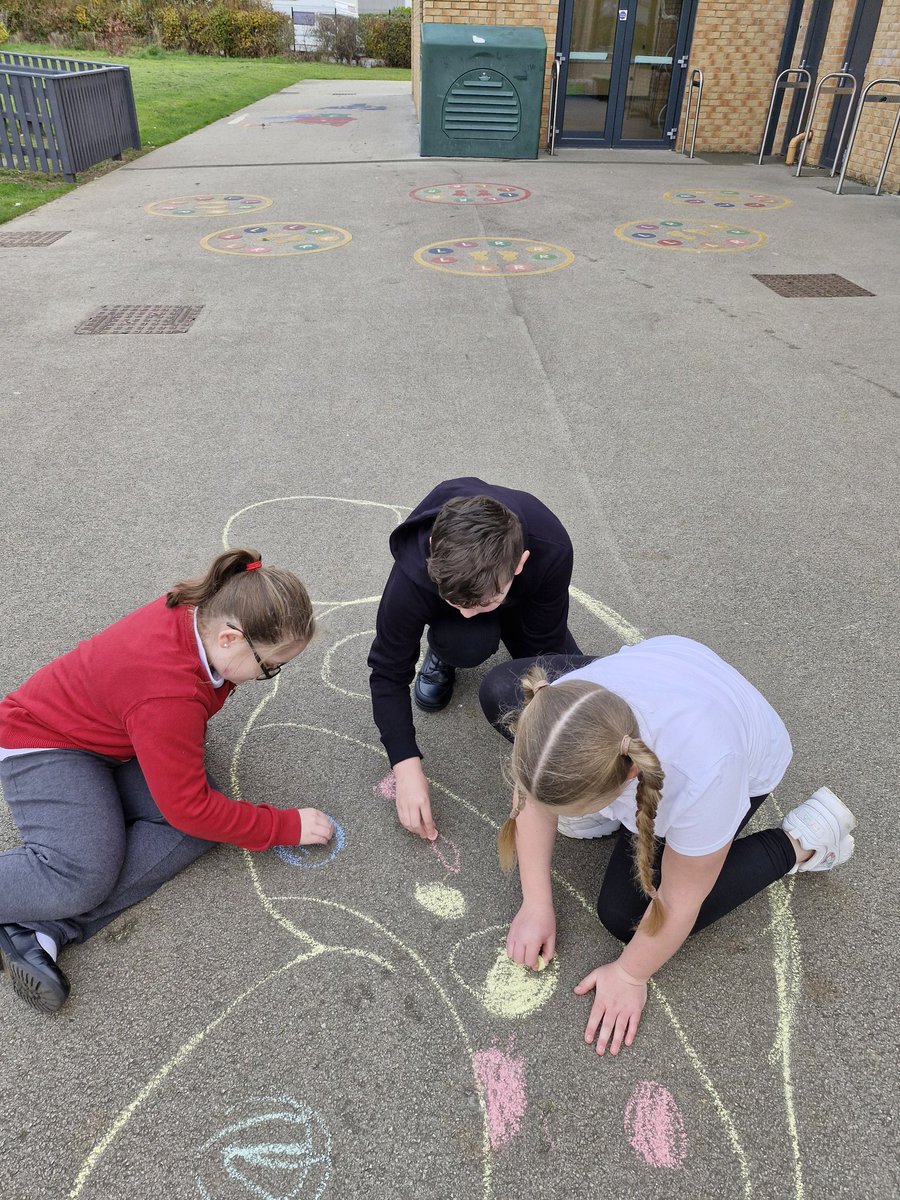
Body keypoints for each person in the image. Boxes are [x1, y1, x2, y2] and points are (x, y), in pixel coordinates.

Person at [481, 635, 856, 1056]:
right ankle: (589, 804)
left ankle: (800, 843)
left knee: (626, 916)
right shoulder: (568, 703)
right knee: (499, 690)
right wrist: (535, 902)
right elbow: (531, 801)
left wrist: (629, 976)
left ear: (624, 782)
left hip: (738, 751)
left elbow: (680, 900)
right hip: (678, 685)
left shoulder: (703, 779)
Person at [0, 549, 335, 1015]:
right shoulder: (169, 693)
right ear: (229, 637)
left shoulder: (201, 611)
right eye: (269, 666)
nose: (268, 677)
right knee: (82, 875)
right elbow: (188, 805)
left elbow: (188, 809)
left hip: (115, 740)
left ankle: (41, 927)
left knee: (193, 829)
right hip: (44, 744)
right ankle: (45, 895)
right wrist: (282, 827)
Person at [368, 478, 593, 842]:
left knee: (568, 687)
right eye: (455, 603)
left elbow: (541, 651)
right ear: (431, 550)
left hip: (525, 600)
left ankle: (494, 608)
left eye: (483, 604)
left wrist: (540, 752)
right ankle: (445, 653)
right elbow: (386, 671)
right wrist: (406, 768)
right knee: (464, 637)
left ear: (521, 564)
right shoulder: (416, 572)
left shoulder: (551, 549)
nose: (468, 613)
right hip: (478, 594)